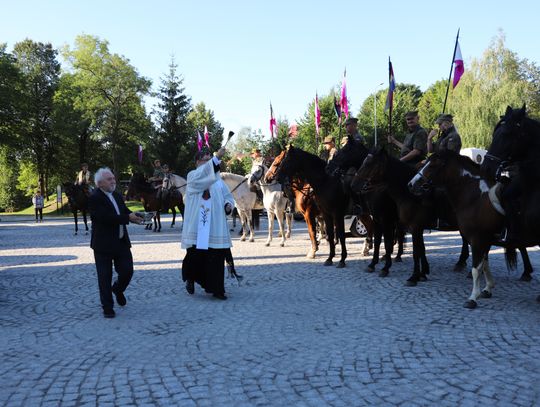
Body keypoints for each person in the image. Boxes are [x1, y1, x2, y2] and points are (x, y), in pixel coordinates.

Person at [89, 167, 143, 318]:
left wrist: (137, 216)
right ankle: (107, 306)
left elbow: (124, 211)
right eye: (109, 179)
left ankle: (118, 289)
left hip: (121, 242)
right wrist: (127, 218)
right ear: (99, 183)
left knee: (127, 271)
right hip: (103, 244)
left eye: (113, 178)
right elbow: (105, 218)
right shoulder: (95, 198)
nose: (113, 181)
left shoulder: (117, 195)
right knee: (104, 277)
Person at [181, 146, 234, 300]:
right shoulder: (192, 176)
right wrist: (216, 158)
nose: (209, 163)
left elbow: (228, 196)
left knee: (216, 257)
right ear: (197, 162)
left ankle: (217, 289)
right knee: (195, 257)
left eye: (210, 160)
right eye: (205, 160)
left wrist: (229, 205)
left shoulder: (218, 181)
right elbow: (202, 176)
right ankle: (190, 277)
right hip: (198, 226)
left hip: (215, 227)